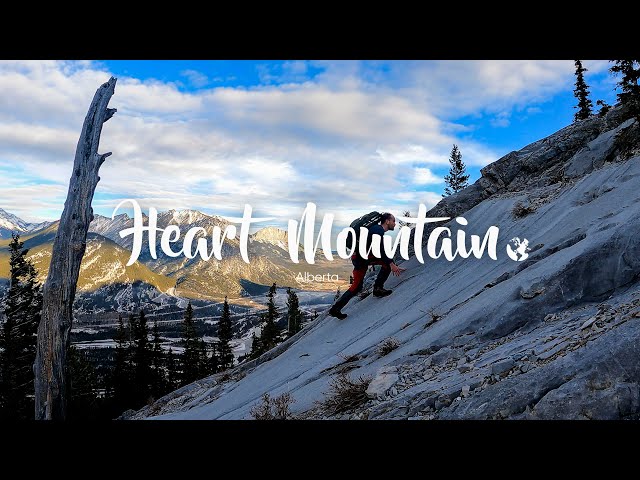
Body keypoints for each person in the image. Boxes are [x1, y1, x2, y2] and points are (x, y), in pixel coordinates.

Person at [329, 212, 406, 319]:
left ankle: (335, 309)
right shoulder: (377, 230)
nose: (395, 224)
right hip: (363, 257)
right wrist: (391, 264)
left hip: (358, 257)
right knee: (386, 264)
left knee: (357, 286)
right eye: (393, 221)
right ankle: (378, 289)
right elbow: (380, 250)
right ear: (387, 221)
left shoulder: (375, 229)